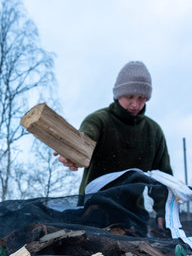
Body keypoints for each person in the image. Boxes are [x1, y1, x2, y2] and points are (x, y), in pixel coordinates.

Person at [54, 61, 173, 229]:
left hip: (133, 217)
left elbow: (163, 176)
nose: (135, 104)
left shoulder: (153, 132)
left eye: (141, 98)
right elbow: (84, 141)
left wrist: (163, 211)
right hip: (92, 212)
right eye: (130, 97)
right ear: (118, 94)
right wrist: (71, 152)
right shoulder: (98, 121)